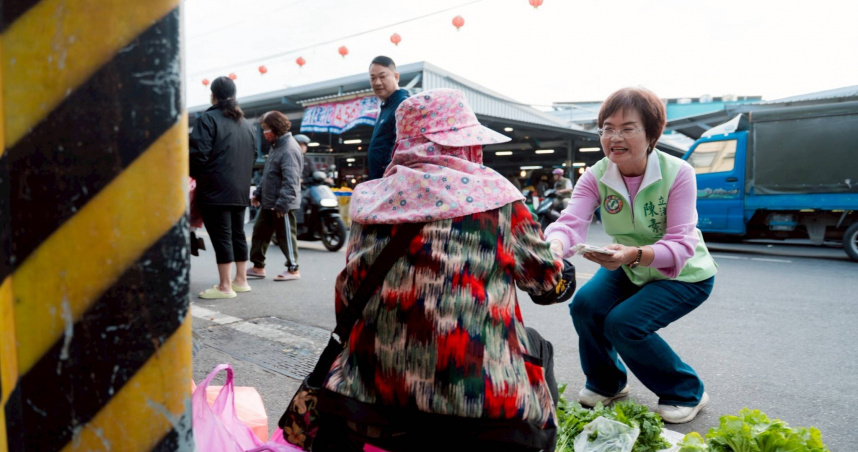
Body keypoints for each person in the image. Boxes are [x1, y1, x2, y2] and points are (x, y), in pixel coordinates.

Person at [313, 89, 575, 452]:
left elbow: (347, 293)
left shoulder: (368, 201)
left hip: (369, 401)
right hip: (482, 407)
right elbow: (546, 283)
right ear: (463, 144)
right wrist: (559, 263)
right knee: (537, 345)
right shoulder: (497, 198)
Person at [544, 87, 717, 424]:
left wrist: (633, 255)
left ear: (651, 134)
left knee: (623, 324)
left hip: (683, 272)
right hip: (629, 265)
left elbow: (681, 244)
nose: (615, 137)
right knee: (584, 306)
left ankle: (687, 392)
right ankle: (607, 383)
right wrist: (554, 247)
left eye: (627, 128)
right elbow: (570, 223)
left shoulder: (678, 173)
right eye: (607, 128)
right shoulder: (596, 175)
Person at [189, 76, 256, 299]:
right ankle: (241, 280)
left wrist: (193, 174)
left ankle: (225, 286)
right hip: (240, 189)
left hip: (215, 188)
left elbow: (198, 155)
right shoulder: (247, 125)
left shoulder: (208, 119)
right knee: (238, 234)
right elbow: (254, 155)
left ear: (213, 95)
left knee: (222, 236)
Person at [247, 111, 303, 281]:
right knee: (259, 233)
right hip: (269, 202)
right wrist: (258, 194)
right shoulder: (276, 146)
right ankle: (258, 267)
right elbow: (268, 175)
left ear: (276, 127)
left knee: (285, 237)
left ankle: (293, 269)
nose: (265, 133)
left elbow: (291, 181)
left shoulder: (289, 149)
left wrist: (283, 204)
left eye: (267, 128)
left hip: (281, 204)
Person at [366, 55, 409, 180]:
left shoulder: (403, 105)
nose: (377, 82)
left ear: (396, 77)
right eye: (373, 78)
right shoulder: (387, 106)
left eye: (383, 76)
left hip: (391, 181)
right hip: (381, 181)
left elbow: (402, 148)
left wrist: (387, 177)